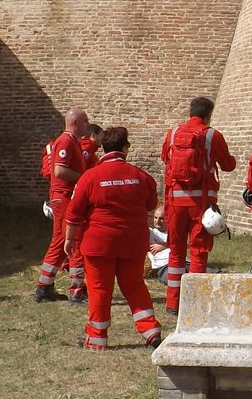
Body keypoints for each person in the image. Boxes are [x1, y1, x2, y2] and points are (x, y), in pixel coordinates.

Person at [64, 126, 163, 351]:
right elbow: (151, 204)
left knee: (99, 289)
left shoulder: (90, 177)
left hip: (99, 243)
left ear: (104, 148)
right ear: (125, 148)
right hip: (133, 241)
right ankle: (151, 331)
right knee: (135, 286)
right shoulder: (140, 176)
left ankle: (97, 339)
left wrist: (69, 240)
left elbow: (74, 213)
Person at [159, 96, 237, 313]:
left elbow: (165, 157)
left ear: (190, 112)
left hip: (175, 201)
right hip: (201, 203)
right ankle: (194, 302)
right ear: (208, 114)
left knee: (175, 251)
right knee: (199, 251)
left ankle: (173, 303)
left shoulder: (172, 133)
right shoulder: (212, 135)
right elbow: (228, 165)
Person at [34, 106, 89, 303]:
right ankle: (78, 289)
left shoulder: (72, 141)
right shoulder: (66, 141)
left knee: (59, 241)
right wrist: (84, 179)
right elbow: (59, 170)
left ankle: (44, 286)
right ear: (75, 123)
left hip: (61, 197)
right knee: (74, 240)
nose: (88, 125)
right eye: (85, 121)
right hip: (64, 197)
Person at [146, 206, 170, 281]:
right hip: (165, 266)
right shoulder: (151, 232)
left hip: (184, 262)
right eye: (155, 217)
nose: (157, 221)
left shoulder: (173, 233)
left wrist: (164, 246)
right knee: (175, 280)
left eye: (161, 219)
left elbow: (188, 244)